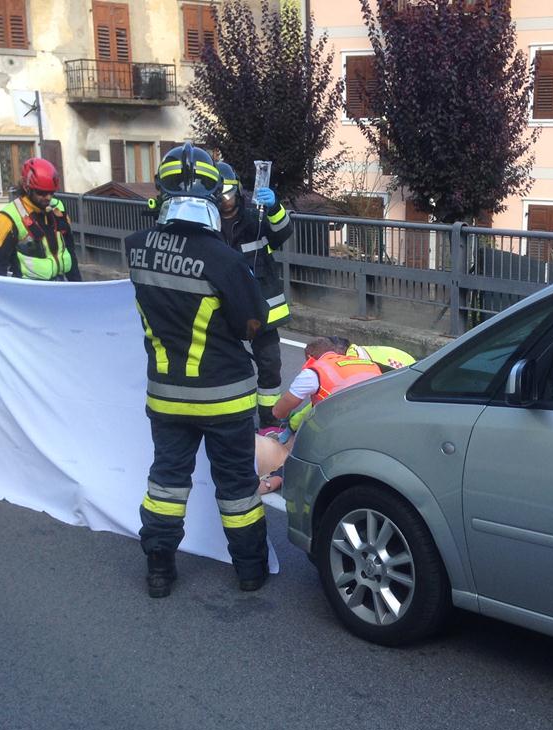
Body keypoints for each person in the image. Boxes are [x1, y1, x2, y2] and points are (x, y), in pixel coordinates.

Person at [125, 142, 271, 598]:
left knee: (166, 482)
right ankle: (249, 571)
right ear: (212, 192)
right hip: (224, 396)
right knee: (238, 489)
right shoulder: (224, 259)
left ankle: (159, 570)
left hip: (165, 396)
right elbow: (253, 323)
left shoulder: (136, 249)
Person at [212, 161, 294, 427]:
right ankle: (227, 417)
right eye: (218, 195)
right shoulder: (207, 224)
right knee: (225, 365)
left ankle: (270, 421)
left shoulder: (254, 218)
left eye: (228, 193)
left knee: (270, 365)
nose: (224, 200)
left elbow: (283, 233)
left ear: (237, 191)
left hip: (260, 308)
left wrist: (274, 208)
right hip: (222, 307)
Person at [0, 157, 82, 281]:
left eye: (51, 192)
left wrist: (78, 287)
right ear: (27, 188)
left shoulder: (58, 208)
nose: (48, 197)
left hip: (59, 285)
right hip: (28, 291)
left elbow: (69, 250)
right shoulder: (7, 218)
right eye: (41, 193)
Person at [270, 336, 383, 429]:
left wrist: (285, 419)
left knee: (310, 428)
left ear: (310, 357)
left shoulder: (314, 373)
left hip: (343, 427)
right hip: (376, 420)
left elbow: (279, 411)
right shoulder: (366, 363)